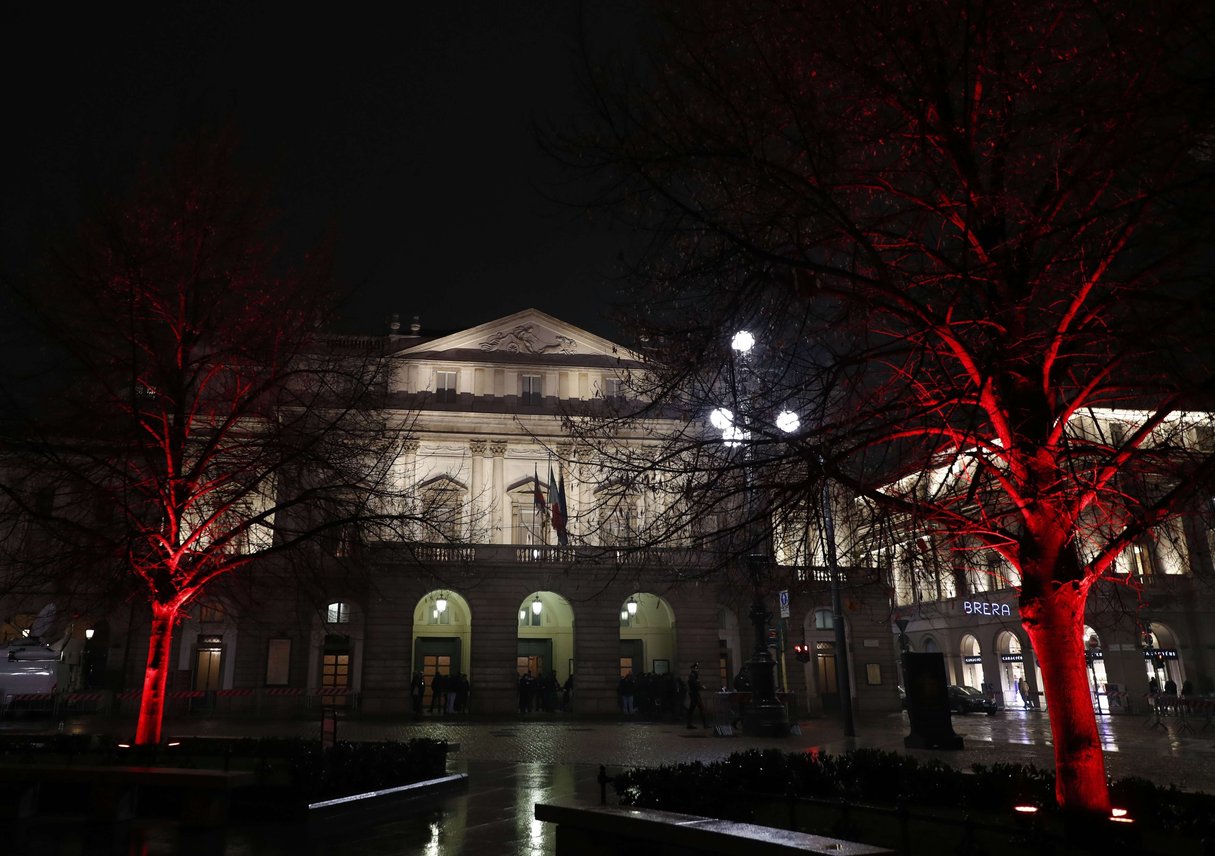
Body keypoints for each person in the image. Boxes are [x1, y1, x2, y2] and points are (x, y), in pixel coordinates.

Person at [686, 662, 706, 728]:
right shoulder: (692, 675)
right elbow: (694, 685)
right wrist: (701, 687)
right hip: (694, 694)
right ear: (693, 669)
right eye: (695, 668)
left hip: (695, 694)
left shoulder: (694, 675)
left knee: (692, 709)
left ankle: (689, 724)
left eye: (697, 668)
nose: (697, 670)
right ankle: (705, 724)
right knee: (700, 708)